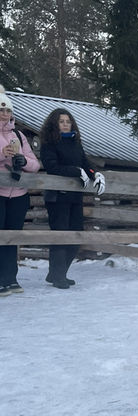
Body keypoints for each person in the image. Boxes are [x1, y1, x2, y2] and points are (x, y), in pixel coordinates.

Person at [39, 108, 105, 289]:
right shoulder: (49, 144)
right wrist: (76, 171)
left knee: (76, 235)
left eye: (68, 121)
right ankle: (58, 275)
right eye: (62, 121)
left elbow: (85, 164)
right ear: (55, 124)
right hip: (57, 197)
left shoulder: (76, 143)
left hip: (75, 196)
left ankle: (57, 273)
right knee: (61, 236)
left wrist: (96, 174)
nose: (65, 124)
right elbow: (52, 167)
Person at [0, 85, 41, 297]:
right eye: (1, 109)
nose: (5, 114)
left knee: (12, 237)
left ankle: (10, 278)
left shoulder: (19, 135)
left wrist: (22, 160)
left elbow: (35, 164)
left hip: (17, 194)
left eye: (8, 110)